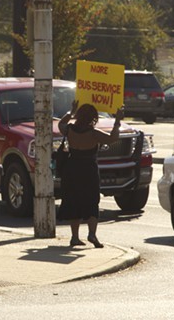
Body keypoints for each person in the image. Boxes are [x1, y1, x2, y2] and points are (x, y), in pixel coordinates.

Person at [57, 101, 124, 248]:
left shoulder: (69, 130)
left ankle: (75, 237)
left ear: (79, 116)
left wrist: (71, 111)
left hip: (72, 169)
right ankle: (92, 234)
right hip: (89, 170)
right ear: (93, 118)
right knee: (91, 201)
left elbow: (60, 124)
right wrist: (117, 121)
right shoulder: (94, 134)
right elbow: (113, 138)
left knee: (73, 201)